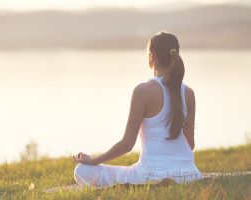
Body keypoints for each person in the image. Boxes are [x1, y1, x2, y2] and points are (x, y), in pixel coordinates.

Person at [72, 31, 203, 188]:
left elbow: (127, 144)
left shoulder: (143, 91)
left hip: (150, 175)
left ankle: (152, 185)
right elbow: (190, 145)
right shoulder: (188, 93)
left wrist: (94, 160)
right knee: (127, 170)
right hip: (190, 174)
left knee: (82, 170)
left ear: (151, 56)